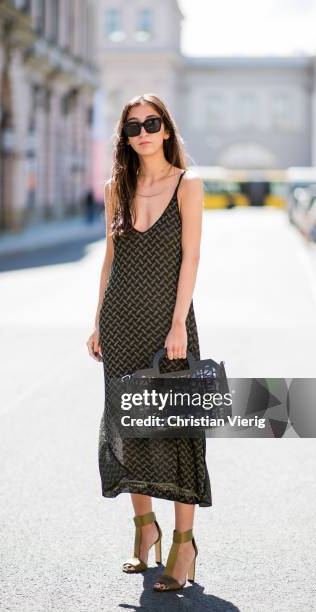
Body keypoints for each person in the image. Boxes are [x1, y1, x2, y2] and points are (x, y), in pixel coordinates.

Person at [86, 93, 212, 592]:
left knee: (177, 430)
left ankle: (184, 543)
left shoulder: (188, 184)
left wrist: (179, 323)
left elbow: (192, 258)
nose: (142, 132)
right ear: (126, 136)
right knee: (130, 427)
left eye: (151, 123)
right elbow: (110, 260)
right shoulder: (117, 186)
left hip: (168, 324)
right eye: (133, 126)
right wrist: (97, 321)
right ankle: (145, 531)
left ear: (166, 130)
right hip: (120, 324)